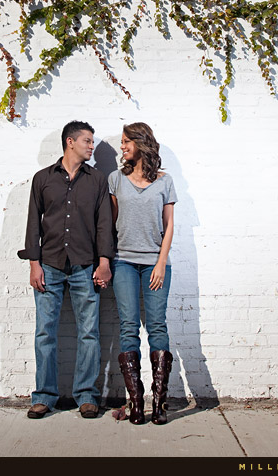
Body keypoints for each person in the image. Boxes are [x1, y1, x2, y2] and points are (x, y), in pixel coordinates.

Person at [17, 120, 114, 419]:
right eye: (87, 140)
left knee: (89, 333)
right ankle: (44, 396)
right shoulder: (42, 179)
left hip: (86, 266)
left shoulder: (97, 180)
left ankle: (86, 395)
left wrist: (104, 261)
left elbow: (103, 224)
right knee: (45, 332)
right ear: (70, 142)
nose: (91, 145)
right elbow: (34, 222)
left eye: (92, 141)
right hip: (50, 264)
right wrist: (35, 264)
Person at [108, 122, 177, 425]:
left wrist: (161, 263)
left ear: (140, 143)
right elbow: (110, 224)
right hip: (123, 261)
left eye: (126, 142)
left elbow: (169, 224)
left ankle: (159, 404)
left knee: (157, 326)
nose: (122, 147)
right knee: (128, 327)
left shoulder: (165, 181)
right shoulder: (115, 180)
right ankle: (136, 403)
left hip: (155, 263)